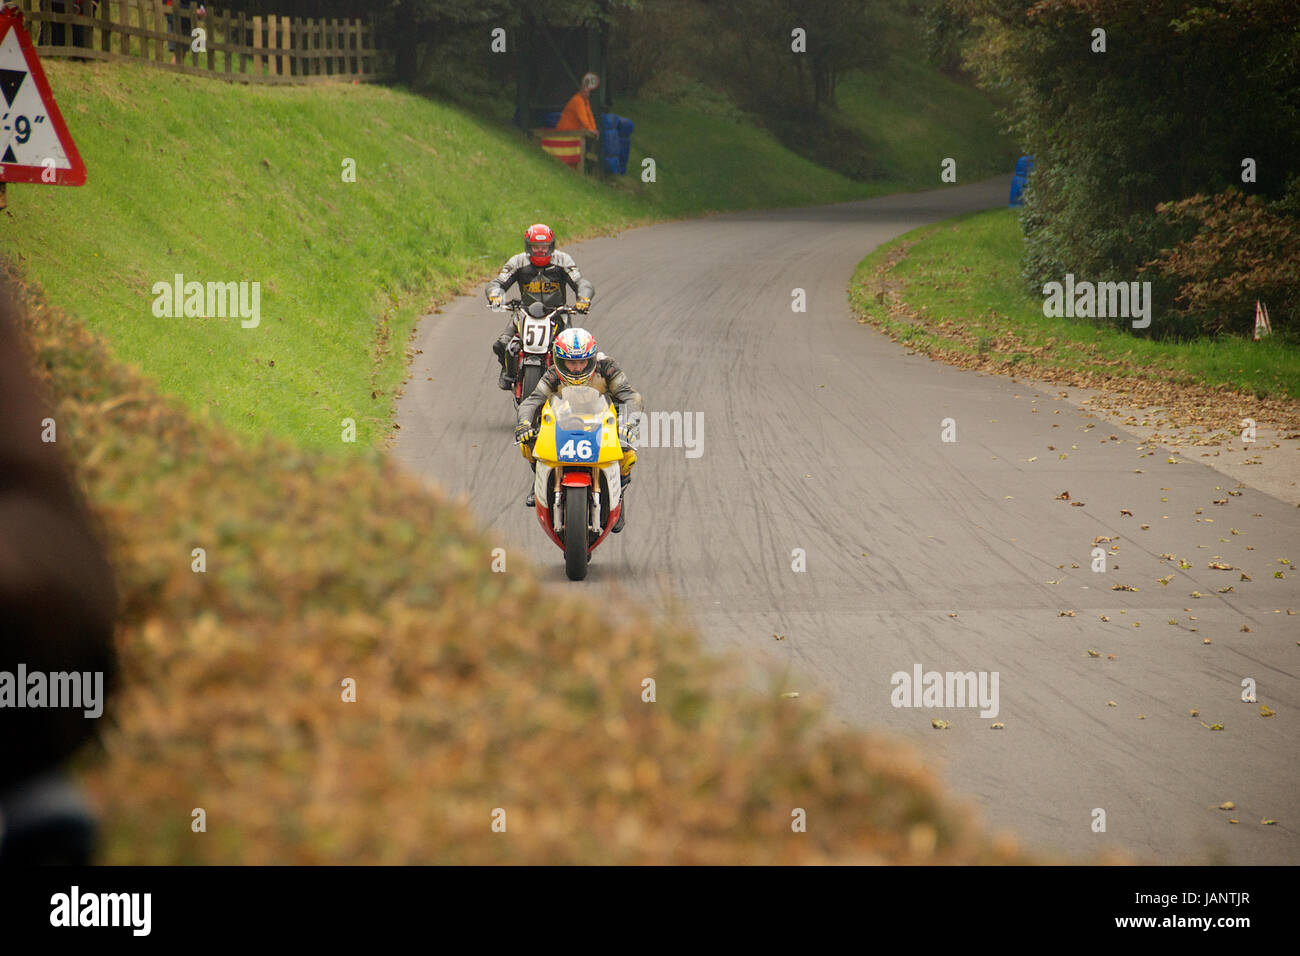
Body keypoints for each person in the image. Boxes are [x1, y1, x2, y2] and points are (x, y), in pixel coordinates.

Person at [514, 328, 642, 533]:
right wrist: (524, 424)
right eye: (571, 363)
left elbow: (631, 396)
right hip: (564, 420)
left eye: (582, 362)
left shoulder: (607, 367)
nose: (576, 368)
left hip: (604, 422)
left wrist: (627, 424)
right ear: (560, 360)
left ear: (591, 359)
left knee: (628, 454)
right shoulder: (553, 373)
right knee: (527, 443)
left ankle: (619, 492)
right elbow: (531, 401)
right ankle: (538, 476)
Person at [485, 223, 593, 390]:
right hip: (524, 312)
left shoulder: (563, 260)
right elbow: (498, 282)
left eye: (545, 246)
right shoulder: (518, 261)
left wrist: (583, 298)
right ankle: (508, 371)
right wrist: (495, 296)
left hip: (558, 313)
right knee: (502, 343)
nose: (541, 250)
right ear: (529, 246)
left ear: (552, 246)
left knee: (572, 349)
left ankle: (572, 384)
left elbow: (581, 282)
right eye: (536, 247)